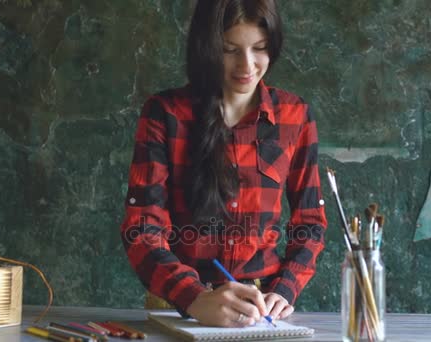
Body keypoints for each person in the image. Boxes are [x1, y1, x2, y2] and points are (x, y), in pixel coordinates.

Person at [121, 0, 327, 327]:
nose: (247, 65)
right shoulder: (165, 113)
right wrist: (195, 298)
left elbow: (310, 223)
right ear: (207, 48)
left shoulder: (295, 116)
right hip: (179, 304)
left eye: (259, 49)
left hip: (261, 308)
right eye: (230, 50)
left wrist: (286, 289)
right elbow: (142, 229)